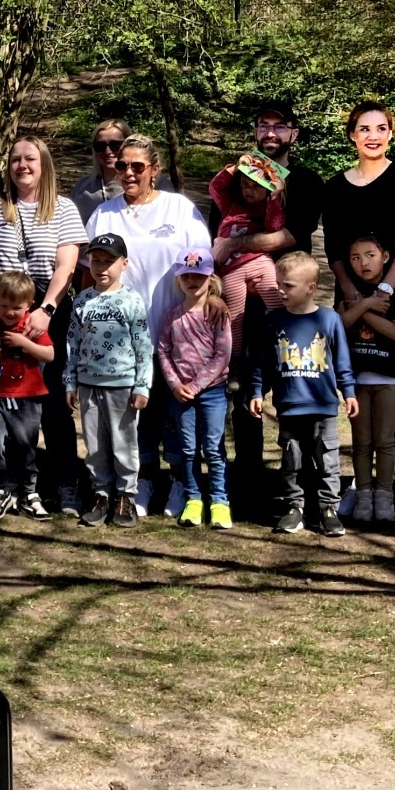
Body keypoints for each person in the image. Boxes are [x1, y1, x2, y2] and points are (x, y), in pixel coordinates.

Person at [85, 133, 212, 514]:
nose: (128, 172)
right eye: (122, 165)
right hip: (121, 342)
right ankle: (138, 482)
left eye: (137, 166)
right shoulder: (104, 214)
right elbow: (88, 275)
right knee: (133, 419)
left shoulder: (180, 210)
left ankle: (178, 482)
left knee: (174, 417)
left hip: (174, 334)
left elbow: (203, 266)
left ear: (154, 169)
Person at [0, 137, 90, 512]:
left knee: (52, 406)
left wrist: (46, 310)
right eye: (15, 158)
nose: (22, 165)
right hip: (1, 318)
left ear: (44, 164)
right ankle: (4, 485)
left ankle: (64, 482)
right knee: (0, 402)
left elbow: (66, 265)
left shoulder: (64, 208)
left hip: (44, 317)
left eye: (30, 158)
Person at [320, 103, 395, 520]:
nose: (373, 135)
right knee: (353, 387)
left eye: (381, 128)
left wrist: (385, 289)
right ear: (352, 135)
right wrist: (354, 296)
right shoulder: (335, 187)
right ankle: (358, 481)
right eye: (364, 128)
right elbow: (333, 248)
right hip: (349, 302)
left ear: (391, 133)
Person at [227, 100, 326, 509]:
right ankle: (247, 477)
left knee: (295, 387)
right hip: (243, 306)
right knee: (243, 389)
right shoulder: (237, 175)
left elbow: (291, 234)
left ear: (293, 134)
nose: (270, 133)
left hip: (290, 304)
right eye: (262, 125)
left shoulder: (305, 179)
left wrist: (237, 245)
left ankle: (299, 487)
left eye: (279, 126)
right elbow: (222, 226)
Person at [248, 252, 356, 538]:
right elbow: (263, 362)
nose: (281, 290)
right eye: (279, 284)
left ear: (311, 287)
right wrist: (257, 391)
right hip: (289, 407)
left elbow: (342, 360)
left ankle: (328, 509)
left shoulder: (329, 320)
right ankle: (294, 507)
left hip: (323, 406)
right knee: (291, 459)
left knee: (328, 460)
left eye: (289, 285)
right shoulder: (273, 321)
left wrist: (349, 392)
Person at [65, 234, 150, 530]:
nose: (101, 267)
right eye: (96, 260)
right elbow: (72, 344)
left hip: (122, 386)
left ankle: (125, 496)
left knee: (124, 444)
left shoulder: (131, 300)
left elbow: (143, 346)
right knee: (95, 445)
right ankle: (100, 495)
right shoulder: (82, 299)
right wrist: (70, 382)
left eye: (109, 261)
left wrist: (142, 385)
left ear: (124, 264)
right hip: (88, 385)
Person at [339, 235, 395, 522]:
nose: (362, 263)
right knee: (361, 442)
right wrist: (370, 303)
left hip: (389, 378)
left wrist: (360, 308)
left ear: (384, 256)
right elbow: (341, 321)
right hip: (356, 379)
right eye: (355, 258)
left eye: (369, 255)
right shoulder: (349, 289)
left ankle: (384, 494)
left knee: (384, 440)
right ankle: (363, 493)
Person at [0, 271, 54, 522]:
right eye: (3, 306)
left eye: (16, 307)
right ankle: (1, 491)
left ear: (30, 305)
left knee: (26, 448)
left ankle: (29, 493)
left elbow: (49, 355)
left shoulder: (31, 326)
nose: (8, 312)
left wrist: (23, 342)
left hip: (27, 397)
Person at [157, 251, 233, 530]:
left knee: (213, 448)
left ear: (210, 280)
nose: (192, 280)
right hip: (181, 396)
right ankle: (193, 499)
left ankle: (220, 502)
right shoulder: (171, 316)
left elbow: (222, 355)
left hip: (212, 393)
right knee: (188, 449)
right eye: (186, 275)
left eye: (198, 276)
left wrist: (196, 384)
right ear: (178, 279)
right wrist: (176, 384)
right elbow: (163, 351)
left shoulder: (217, 314)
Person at [207, 152, 288, 360]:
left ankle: (283, 353)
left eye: (257, 186)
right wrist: (235, 168)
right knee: (233, 322)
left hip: (260, 262)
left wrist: (274, 197)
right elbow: (215, 187)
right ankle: (232, 367)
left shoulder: (265, 208)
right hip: (230, 269)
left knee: (278, 308)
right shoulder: (230, 205)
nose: (250, 191)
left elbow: (275, 226)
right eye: (245, 185)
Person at [66, 119, 175, 222]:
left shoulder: (157, 183)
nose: (108, 151)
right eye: (100, 146)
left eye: (116, 145)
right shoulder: (82, 190)